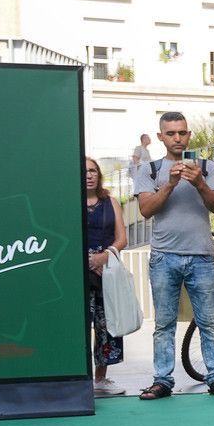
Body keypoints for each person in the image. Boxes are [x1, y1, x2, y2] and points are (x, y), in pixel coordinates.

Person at [133, 112, 214, 400]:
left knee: (208, 321)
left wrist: (199, 183)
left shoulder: (206, 166)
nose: (177, 138)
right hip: (164, 256)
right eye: (171, 133)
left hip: (201, 255)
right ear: (161, 136)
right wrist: (170, 184)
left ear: (189, 135)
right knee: (163, 323)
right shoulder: (149, 170)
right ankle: (162, 380)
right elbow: (146, 210)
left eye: (182, 133)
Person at [82, 157, 127, 397]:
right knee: (79, 325)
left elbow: (122, 239)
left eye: (92, 170)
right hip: (76, 273)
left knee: (107, 325)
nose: (89, 175)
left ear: (98, 174)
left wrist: (103, 257)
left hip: (106, 272)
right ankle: (79, 378)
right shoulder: (68, 200)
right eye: (84, 171)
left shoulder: (110, 201)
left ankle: (101, 379)